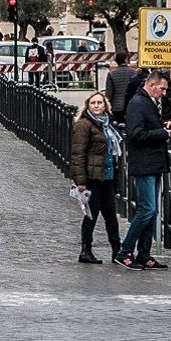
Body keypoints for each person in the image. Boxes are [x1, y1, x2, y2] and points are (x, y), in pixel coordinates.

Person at [117, 72, 171, 270]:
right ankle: (124, 251)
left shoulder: (148, 102)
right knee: (147, 209)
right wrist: (162, 133)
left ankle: (144, 254)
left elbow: (147, 128)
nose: (165, 92)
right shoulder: (138, 103)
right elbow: (135, 133)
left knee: (153, 211)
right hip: (143, 164)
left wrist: (163, 126)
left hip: (153, 163)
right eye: (162, 88)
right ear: (151, 85)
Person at [70, 91, 123, 264]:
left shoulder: (106, 125)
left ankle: (117, 250)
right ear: (88, 105)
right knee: (91, 215)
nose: (97, 105)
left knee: (110, 215)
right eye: (93, 103)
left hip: (107, 176)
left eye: (100, 102)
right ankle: (85, 250)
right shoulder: (84, 125)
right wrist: (81, 181)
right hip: (92, 178)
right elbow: (78, 154)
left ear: (105, 105)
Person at [104, 49, 136, 115]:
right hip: (132, 105)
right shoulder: (134, 73)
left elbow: (109, 93)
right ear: (126, 60)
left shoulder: (111, 74)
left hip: (116, 106)